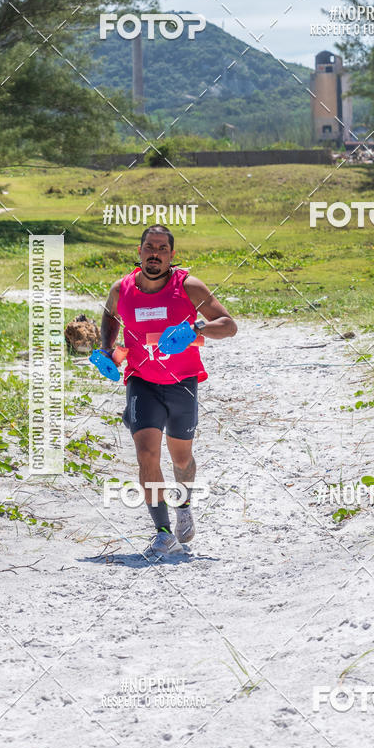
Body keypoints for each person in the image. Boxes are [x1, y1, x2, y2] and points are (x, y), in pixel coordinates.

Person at [101, 224, 237, 555]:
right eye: (150, 247)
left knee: (181, 457)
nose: (155, 254)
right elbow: (109, 316)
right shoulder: (122, 289)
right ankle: (162, 532)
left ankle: (184, 504)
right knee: (146, 452)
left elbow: (229, 326)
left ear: (171, 256)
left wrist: (194, 329)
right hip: (141, 381)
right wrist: (108, 348)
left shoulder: (189, 287)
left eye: (162, 249)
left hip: (182, 383)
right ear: (140, 251)